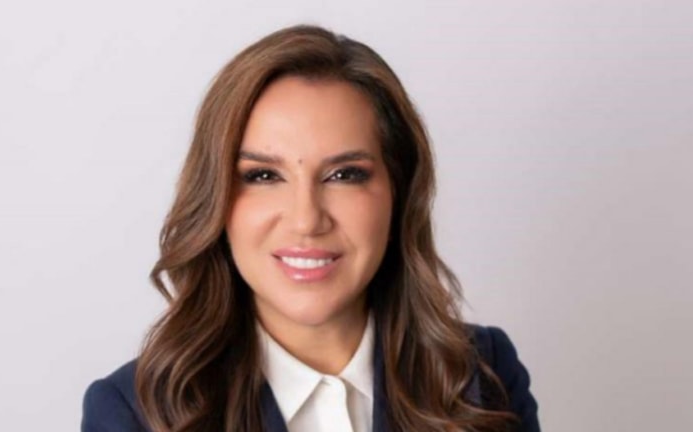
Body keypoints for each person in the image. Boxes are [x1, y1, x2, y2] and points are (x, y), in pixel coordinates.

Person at [81, 24, 539, 432]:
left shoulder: (483, 376)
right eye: (263, 175)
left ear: (398, 191)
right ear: (215, 199)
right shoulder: (133, 415)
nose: (306, 220)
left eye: (344, 175)